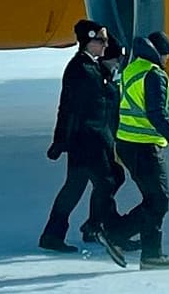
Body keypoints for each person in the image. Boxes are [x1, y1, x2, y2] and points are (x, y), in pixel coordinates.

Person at [105, 30, 169, 269]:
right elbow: (156, 115)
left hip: (127, 143)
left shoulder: (130, 70)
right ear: (160, 54)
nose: (167, 62)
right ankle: (117, 235)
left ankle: (151, 253)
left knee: (154, 199)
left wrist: (115, 142)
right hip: (144, 146)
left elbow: (114, 108)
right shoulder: (154, 75)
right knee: (159, 201)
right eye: (166, 56)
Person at [38, 22, 123, 252]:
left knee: (75, 187)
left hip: (88, 140)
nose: (105, 45)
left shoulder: (90, 68)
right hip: (88, 140)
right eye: (102, 41)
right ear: (89, 41)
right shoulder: (81, 69)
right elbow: (69, 108)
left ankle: (54, 234)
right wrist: (59, 140)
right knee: (106, 182)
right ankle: (97, 227)